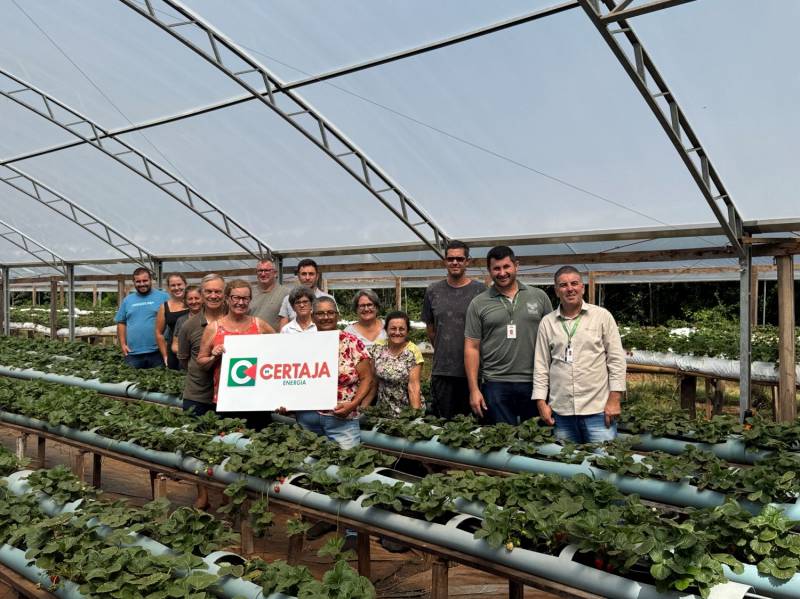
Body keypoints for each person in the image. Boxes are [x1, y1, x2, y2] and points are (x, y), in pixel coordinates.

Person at [533, 266, 626, 444]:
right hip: (561, 413)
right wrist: (540, 402)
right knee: (567, 466)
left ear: (582, 287)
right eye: (563, 285)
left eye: (574, 283)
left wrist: (614, 399)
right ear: (556, 290)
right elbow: (541, 365)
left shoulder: (601, 316)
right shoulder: (547, 323)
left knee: (603, 465)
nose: (570, 289)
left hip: (597, 410)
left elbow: (616, 361)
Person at [464, 246, 552, 425]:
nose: (502, 273)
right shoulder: (479, 303)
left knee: (536, 441)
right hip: (495, 382)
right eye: (496, 268)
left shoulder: (539, 297)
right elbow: (471, 348)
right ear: (489, 270)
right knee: (499, 442)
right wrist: (474, 389)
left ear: (516, 266)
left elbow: (553, 340)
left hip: (534, 382)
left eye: (506, 267)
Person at [293, 297, 373, 450]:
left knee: (346, 466)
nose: (326, 317)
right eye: (320, 313)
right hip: (307, 417)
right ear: (313, 316)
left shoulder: (352, 342)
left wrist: (354, 405)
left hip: (342, 419)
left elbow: (367, 378)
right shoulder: (302, 343)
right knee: (309, 465)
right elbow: (289, 374)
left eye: (330, 313)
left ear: (337, 315)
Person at [176, 274, 226, 510]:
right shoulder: (190, 325)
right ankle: (203, 493)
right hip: (198, 394)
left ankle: (227, 495)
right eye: (209, 292)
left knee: (227, 446)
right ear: (202, 295)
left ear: (224, 293)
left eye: (218, 291)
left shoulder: (234, 320)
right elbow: (184, 359)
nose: (214, 296)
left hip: (228, 395)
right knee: (198, 446)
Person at [422, 240, 485, 418]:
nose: (455, 262)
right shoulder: (433, 291)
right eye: (451, 259)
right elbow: (431, 330)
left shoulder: (480, 291)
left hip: (473, 373)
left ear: (467, 261)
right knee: (444, 424)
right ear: (445, 261)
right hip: (443, 371)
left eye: (459, 258)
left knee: (474, 425)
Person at [196, 279, 274, 404]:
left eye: (245, 298)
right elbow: (201, 361)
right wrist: (213, 357)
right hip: (226, 398)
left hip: (257, 396)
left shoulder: (260, 325)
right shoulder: (214, 328)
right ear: (227, 299)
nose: (241, 302)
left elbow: (279, 352)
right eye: (236, 298)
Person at [369, 311, 424, 415]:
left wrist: (415, 416)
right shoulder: (378, 347)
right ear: (386, 330)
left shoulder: (412, 352)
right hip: (382, 409)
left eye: (402, 329)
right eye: (393, 328)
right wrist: (363, 408)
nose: (397, 332)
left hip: (405, 411)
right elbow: (373, 381)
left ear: (407, 331)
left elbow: (414, 387)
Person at [115, 267, 169, 369]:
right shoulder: (128, 300)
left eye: (145, 280)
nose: (142, 284)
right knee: (132, 383)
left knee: (158, 382)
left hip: (158, 352)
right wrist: (122, 344)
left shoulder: (164, 297)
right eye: (138, 281)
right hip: (133, 353)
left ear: (151, 280)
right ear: (134, 282)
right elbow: (121, 322)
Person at [276, 259, 334, 330]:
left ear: (317, 276)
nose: (307, 278)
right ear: (298, 276)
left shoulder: (328, 299)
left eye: (311, 274)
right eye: (304, 274)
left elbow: (333, 326)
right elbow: (283, 330)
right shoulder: (288, 299)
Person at [155, 273, 189, 370]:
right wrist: (165, 355)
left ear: (185, 285)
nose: (176, 288)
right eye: (173, 285)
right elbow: (158, 333)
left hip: (193, 350)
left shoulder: (194, 302)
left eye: (179, 284)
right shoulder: (164, 307)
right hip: (174, 351)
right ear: (169, 288)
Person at [249, 257, 290, 331]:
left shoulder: (286, 293)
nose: (263, 274)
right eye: (260, 271)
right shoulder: (249, 293)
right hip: (252, 338)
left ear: (275, 273)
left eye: (267, 270)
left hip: (274, 339)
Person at [171, 285, 202, 356]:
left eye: (197, 298)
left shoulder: (209, 317)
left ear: (202, 298)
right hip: (186, 362)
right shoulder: (181, 320)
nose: (194, 301)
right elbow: (174, 345)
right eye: (190, 299)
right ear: (185, 301)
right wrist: (185, 352)